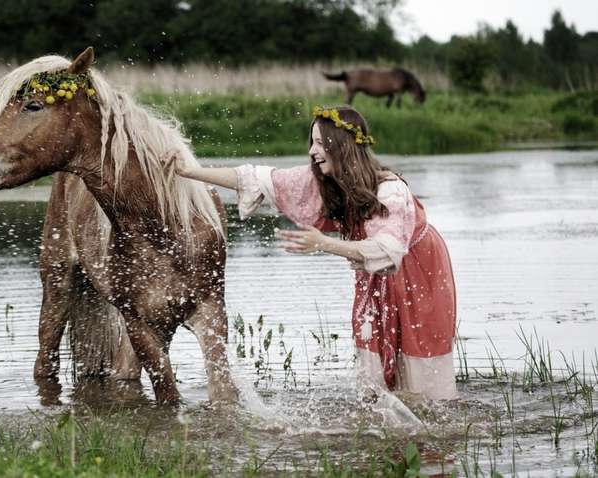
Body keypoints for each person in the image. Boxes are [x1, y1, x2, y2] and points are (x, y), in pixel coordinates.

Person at [165, 105, 457, 400]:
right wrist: (189, 171)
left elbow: (388, 252)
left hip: (418, 268)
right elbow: (256, 178)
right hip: (372, 271)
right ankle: (382, 411)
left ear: (340, 147)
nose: (312, 151)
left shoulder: (390, 191)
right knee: (372, 359)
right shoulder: (322, 180)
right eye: (312, 142)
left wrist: (323, 243)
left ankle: (429, 420)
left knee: (419, 362)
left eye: (320, 143)